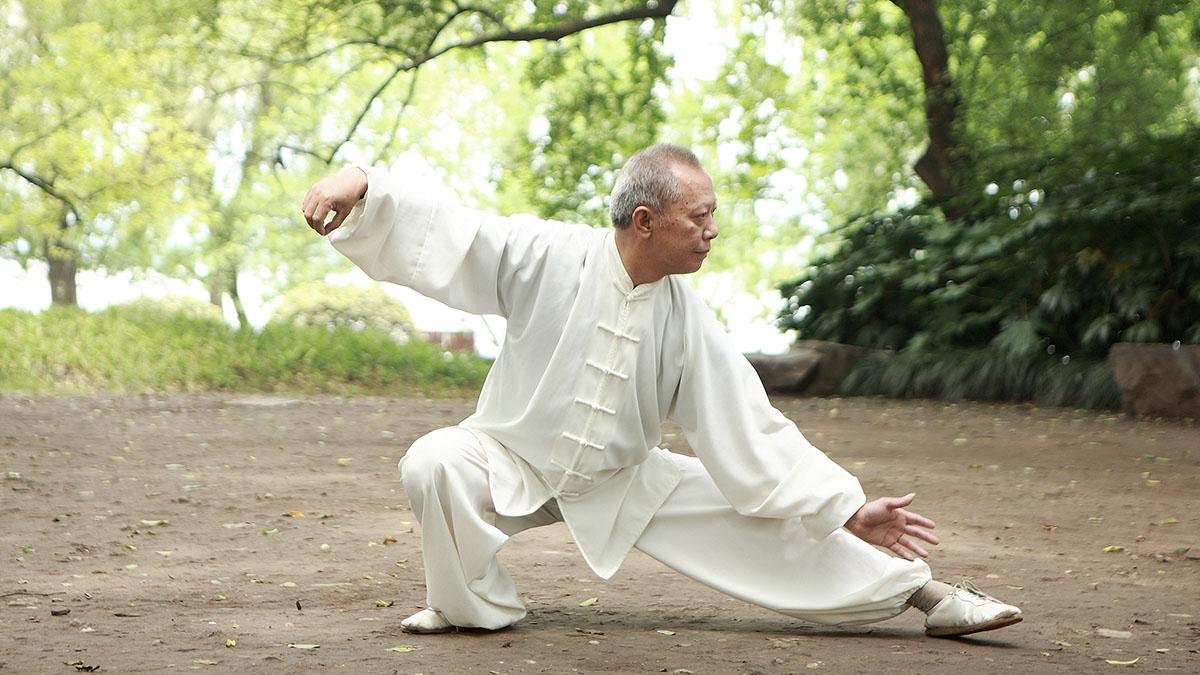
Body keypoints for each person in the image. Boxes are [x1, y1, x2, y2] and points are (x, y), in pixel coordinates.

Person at [301, 144, 1022, 638]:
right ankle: (469, 607)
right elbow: (451, 236)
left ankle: (926, 594)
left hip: (624, 479)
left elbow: (750, 428)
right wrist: (363, 183)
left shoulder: (686, 316)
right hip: (510, 458)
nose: (713, 231)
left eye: (711, 215)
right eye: (699, 216)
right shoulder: (547, 255)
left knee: (764, 515)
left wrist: (848, 505)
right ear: (645, 221)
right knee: (434, 460)